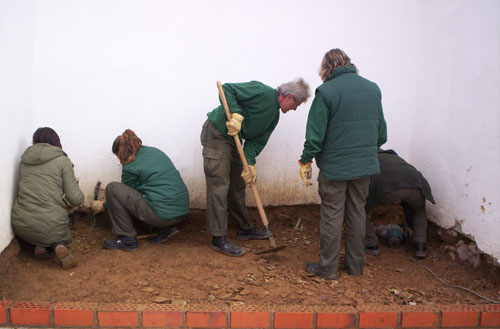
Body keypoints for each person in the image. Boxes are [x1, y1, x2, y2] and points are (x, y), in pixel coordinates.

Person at [298, 49, 387, 279]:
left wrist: (306, 158)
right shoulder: (373, 89)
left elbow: (315, 135)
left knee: (332, 216)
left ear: (327, 67)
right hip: (364, 167)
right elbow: (381, 134)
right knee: (358, 213)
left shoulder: (326, 92)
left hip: (335, 168)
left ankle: (327, 269)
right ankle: (355, 266)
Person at [201, 79, 310, 256]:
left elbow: (255, 141)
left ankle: (245, 228)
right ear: (289, 96)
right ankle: (218, 237)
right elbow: (227, 89)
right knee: (220, 183)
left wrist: (249, 163)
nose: (295, 109)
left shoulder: (274, 117)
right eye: (296, 104)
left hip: (235, 140)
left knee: (237, 184)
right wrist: (235, 114)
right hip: (218, 133)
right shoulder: (261, 91)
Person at [93, 129, 189, 251]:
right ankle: (165, 229)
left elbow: (126, 197)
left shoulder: (130, 166)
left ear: (120, 153)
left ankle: (127, 240)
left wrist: (103, 206)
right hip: (181, 213)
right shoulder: (155, 152)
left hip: (162, 216)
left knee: (112, 188)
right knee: (152, 198)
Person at [11, 127, 84, 269]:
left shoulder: (24, 161)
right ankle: (57, 245)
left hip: (21, 223)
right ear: (56, 141)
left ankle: (39, 246)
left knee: (40, 226)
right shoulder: (62, 161)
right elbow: (75, 198)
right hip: (52, 225)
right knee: (57, 231)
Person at [365, 149, 435, 258]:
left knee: (359, 213)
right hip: (415, 186)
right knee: (418, 210)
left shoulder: (369, 160)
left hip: (387, 189)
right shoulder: (396, 158)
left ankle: (371, 245)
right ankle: (420, 247)